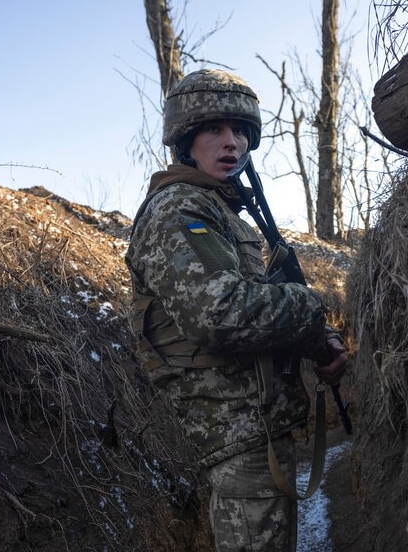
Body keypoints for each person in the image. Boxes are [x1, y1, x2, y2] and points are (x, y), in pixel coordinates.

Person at [125, 68, 348, 551]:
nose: (233, 143)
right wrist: (311, 305)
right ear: (186, 141)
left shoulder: (221, 211)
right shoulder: (179, 210)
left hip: (258, 430)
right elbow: (221, 314)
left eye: (241, 131)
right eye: (215, 130)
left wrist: (317, 344)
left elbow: (257, 310)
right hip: (237, 435)